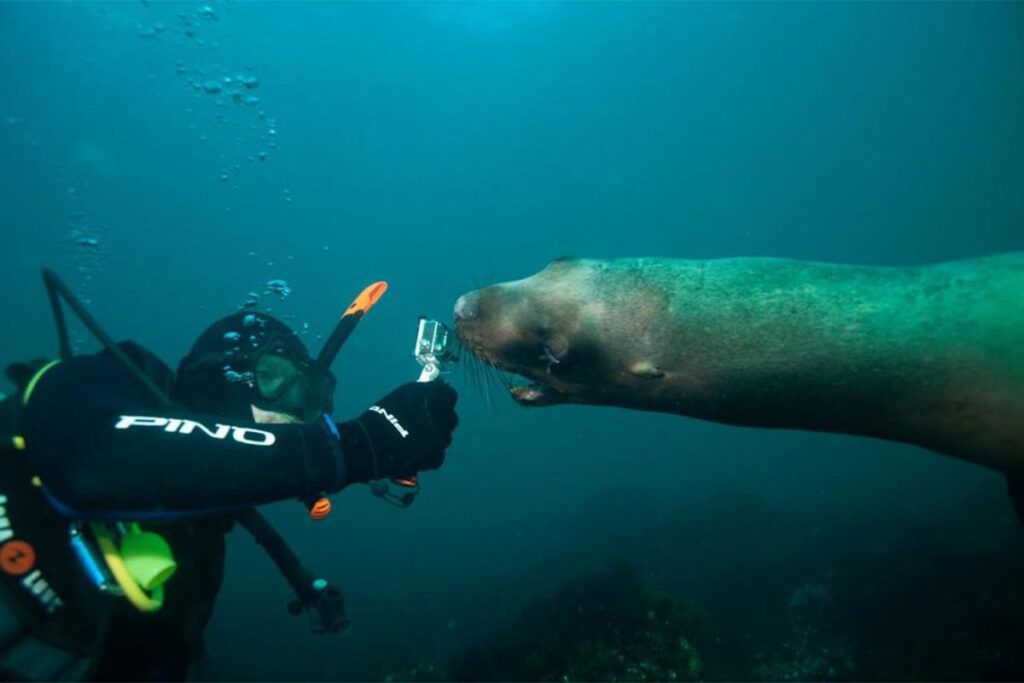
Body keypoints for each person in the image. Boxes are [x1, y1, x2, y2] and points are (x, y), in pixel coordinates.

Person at [0, 279, 459, 681]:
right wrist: (352, 448)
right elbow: (89, 458)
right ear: (218, 379)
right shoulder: (109, 386)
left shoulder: (201, 547)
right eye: (274, 378)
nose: (292, 411)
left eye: (310, 394)